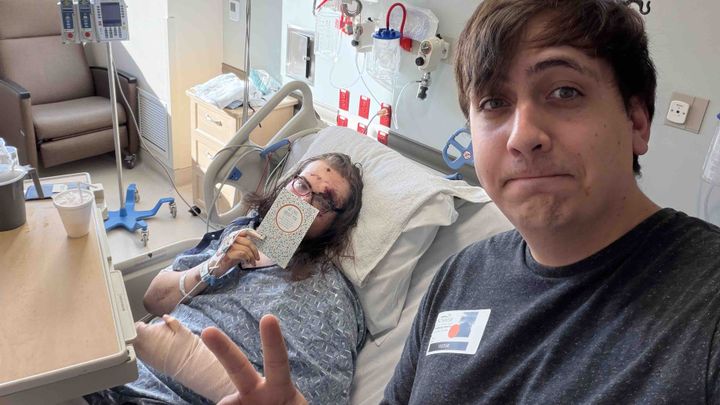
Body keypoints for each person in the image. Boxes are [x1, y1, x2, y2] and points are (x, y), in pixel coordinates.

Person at [196, 0, 720, 404]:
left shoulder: (702, 308)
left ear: (637, 120)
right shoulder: (460, 279)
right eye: (494, 102)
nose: (523, 136)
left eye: (564, 91)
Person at [84, 152, 365, 405]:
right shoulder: (239, 234)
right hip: (119, 373)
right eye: (302, 185)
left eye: (324, 200)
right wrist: (214, 266)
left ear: (337, 224)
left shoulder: (330, 298)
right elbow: (153, 300)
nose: (303, 201)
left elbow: (314, 394)